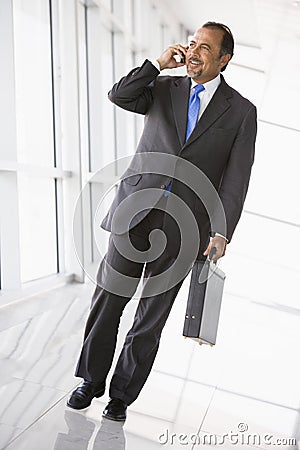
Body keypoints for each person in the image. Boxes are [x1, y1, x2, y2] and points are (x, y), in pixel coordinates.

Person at [67, 22, 257, 421]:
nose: (194, 52)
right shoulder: (163, 88)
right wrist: (156, 64)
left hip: (186, 227)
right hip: (134, 209)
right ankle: (90, 381)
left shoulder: (240, 112)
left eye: (206, 48)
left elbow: (237, 177)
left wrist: (221, 231)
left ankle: (121, 396)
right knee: (108, 301)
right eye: (193, 44)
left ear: (224, 59)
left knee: (150, 318)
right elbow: (120, 94)